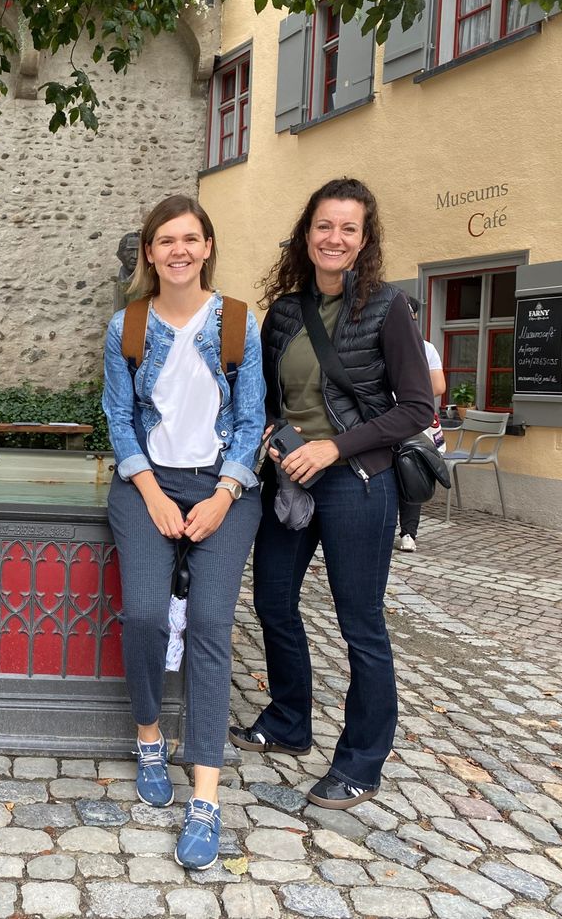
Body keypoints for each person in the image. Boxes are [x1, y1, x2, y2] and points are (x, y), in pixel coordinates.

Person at [229, 177, 434, 809]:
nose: (334, 238)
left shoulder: (388, 306)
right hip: (290, 477)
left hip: (358, 481)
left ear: (364, 238)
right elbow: (267, 398)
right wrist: (270, 438)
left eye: (348, 228)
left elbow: (417, 409)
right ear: (306, 233)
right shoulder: (286, 312)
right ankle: (290, 720)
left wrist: (334, 448)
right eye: (324, 226)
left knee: (360, 622)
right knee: (272, 602)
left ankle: (362, 762)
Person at [102, 195, 265, 870]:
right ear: (150, 251)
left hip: (223, 485)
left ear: (206, 247)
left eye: (190, 239)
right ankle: (147, 734)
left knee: (208, 624)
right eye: (165, 240)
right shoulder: (127, 326)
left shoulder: (236, 323)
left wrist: (226, 493)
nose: (178, 250)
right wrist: (152, 493)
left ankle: (205, 795)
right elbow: (118, 418)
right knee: (143, 614)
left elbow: (253, 422)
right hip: (146, 484)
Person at [397, 297, 447, 553]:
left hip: (412, 418)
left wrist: (408, 391)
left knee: (411, 470)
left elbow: (439, 386)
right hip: (378, 418)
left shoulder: (425, 348)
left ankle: (408, 532)